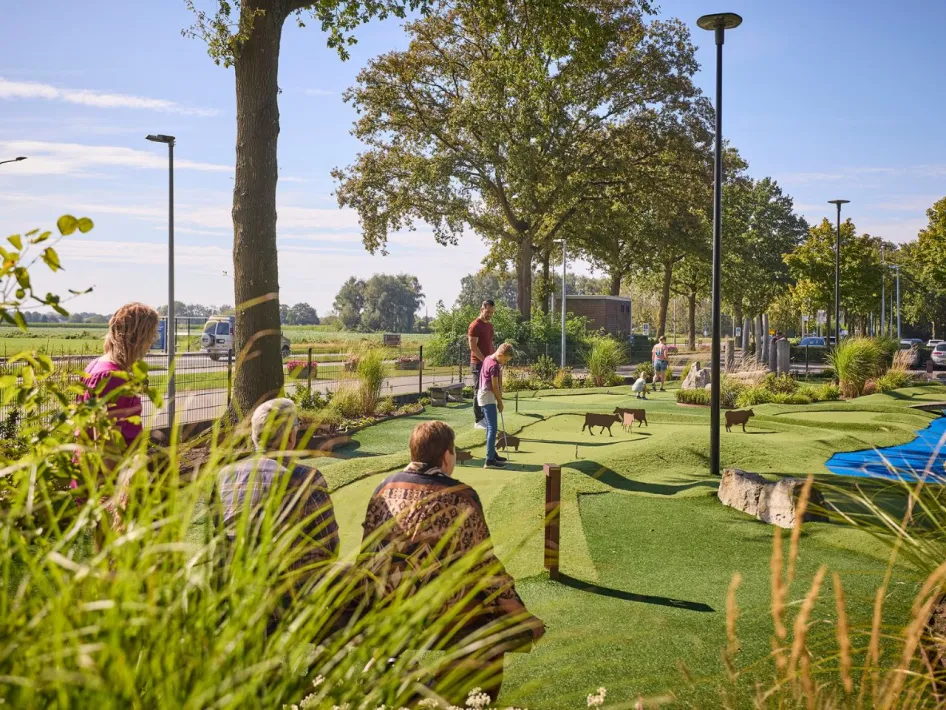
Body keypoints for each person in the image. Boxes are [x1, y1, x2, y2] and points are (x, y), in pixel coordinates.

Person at [361, 421, 544, 702]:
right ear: (447, 456)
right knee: (490, 624)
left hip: (386, 606)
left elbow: (367, 555)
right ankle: (466, 698)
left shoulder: (383, 489)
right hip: (438, 612)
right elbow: (486, 568)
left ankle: (398, 675)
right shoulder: (461, 497)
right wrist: (521, 614)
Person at [216, 398, 339, 588]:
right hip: (289, 601)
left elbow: (219, 543)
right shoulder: (307, 479)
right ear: (291, 435)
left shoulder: (225, 476)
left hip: (235, 596)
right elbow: (330, 548)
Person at [79, 301, 160, 451]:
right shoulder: (113, 378)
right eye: (152, 335)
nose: (152, 343)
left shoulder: (95, 365)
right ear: (138, 337)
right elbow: (107, 448)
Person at [478, 342, 513, 469]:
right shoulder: (494, 366)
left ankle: (493, 453)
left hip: (483, 395)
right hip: (488, 397)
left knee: (489, 428)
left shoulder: (488, 358)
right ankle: (489, 460)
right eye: (504, 360)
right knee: (493, 428)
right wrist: (500, 402)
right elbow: (494, 386)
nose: (504, 363)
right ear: (499, 354)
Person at [468, 300, 496, 429]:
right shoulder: (475, 326)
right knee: (478, 390)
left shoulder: (490, 326)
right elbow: (473, 346)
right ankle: (478, 420)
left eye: (492, 312)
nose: (490, 314)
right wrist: (485, 361)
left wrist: (495, 359)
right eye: (488, 311)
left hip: (488, 363)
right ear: (481, 309)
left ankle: (484, 417)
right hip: (478, 364)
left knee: (486, 391)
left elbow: (490, 345)